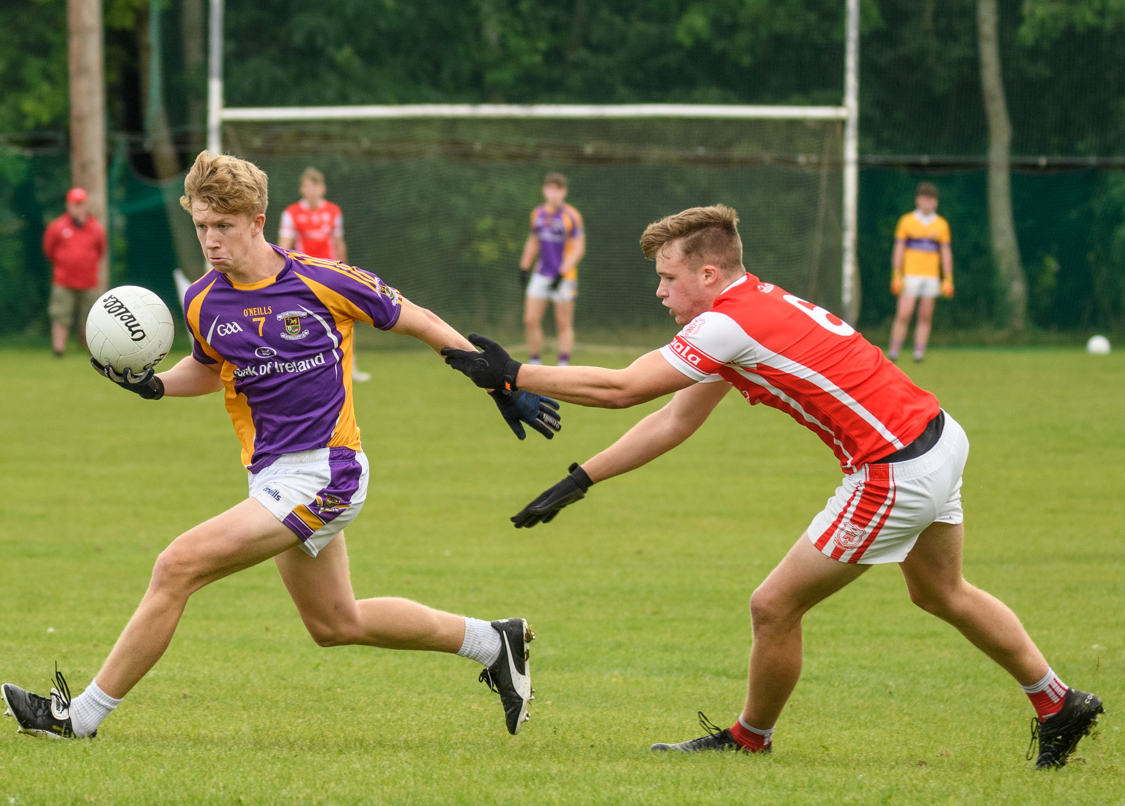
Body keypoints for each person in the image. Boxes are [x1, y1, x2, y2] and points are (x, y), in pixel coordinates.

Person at [442, 204, 1104, 769]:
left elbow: (622, 388)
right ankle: (1057, 703)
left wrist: (514, 373)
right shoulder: (751, 309)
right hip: (935, 436)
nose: (659, 292)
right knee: (940, 590)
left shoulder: (725, 324)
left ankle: (748, 740)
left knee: (772, 606)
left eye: (668, 278)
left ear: (708, 273)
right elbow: (674, 419)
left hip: (891, 467)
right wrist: (581, 478)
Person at [1, 151, 562, 741]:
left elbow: (418, 319)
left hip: (327, 473)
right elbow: (209, 368)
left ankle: (79, 718)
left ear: (256, 219)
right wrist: (155, 385)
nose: (211, 241)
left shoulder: (324, 280)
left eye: (223, 226)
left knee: (177, 566)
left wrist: (496, 381)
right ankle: (492, 641)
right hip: (271, 476)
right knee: (333, 622)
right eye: (201, 227)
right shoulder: (202, 300)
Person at [278, 166, 370, 382]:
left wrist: (345, 271)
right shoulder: (291, 213)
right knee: (299, 320)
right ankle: (300, 366)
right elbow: (284, 245)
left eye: (315, 186)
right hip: (304, 275)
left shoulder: (333, 211)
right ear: (302, 189)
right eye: (307, 187)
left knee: (344, 317)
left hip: (330, 274)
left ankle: (351, 366)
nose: (311, 191)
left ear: (322, 188)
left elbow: (338, 242)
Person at [518, 172, 585, 367]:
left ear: (564, 192)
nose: (553, 193)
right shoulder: (537, 214)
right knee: (530, 319)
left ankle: (563, 363)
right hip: (541, 274)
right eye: (550, 189)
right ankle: (535, 361)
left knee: (563, 322)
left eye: (558, 189)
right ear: (544, 190)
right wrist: (524, 267)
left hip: (565, 276)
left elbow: (578, 248)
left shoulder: (571, 216)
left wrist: (562, 272)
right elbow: (533, 241)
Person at [889, 182, 953, 362]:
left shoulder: (941, 224)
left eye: (932, 200)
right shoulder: (907, 221)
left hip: (931, 277)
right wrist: (896, 274)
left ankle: (919, 353)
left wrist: (947, 278)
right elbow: (899, 249)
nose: (928, 203)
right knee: (904, 314)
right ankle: (894, 351)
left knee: (925, 316)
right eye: (925, 199)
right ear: (918, 200)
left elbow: (945, 252)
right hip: (910, 275)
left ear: (936, 203)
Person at [43, 187, 106, 358]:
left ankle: (93, 351)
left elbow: (100, 250)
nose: (78, 207)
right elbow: (49, 250)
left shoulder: (95, 228)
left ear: (85, 205)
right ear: (68, 205)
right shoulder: (57, 227)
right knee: (60, 315)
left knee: (91, 318)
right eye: (74, 204)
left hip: (88, 281)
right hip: (63, 281)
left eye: (81, 204)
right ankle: (58, 350)